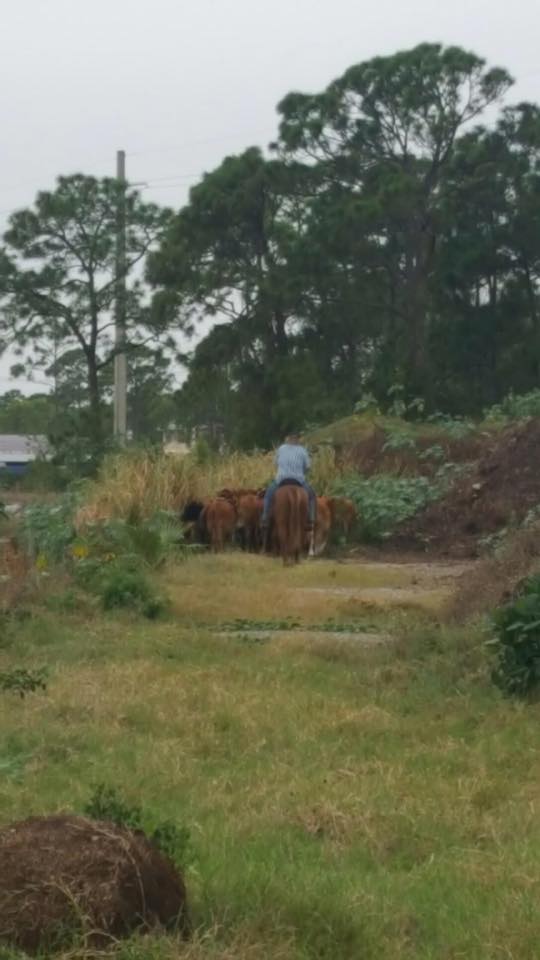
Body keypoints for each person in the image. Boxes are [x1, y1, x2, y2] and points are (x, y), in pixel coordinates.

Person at [261, 433, 316, 532]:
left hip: (281, 480)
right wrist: (301, 471)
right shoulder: (303, 450)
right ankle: (310, 519)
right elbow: (308, 467)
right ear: (297, 439)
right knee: (311, 496)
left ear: (288, 439)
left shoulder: (281, 449)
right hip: (299, 480)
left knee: (268, 495)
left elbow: (275, 463)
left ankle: (265, 518)